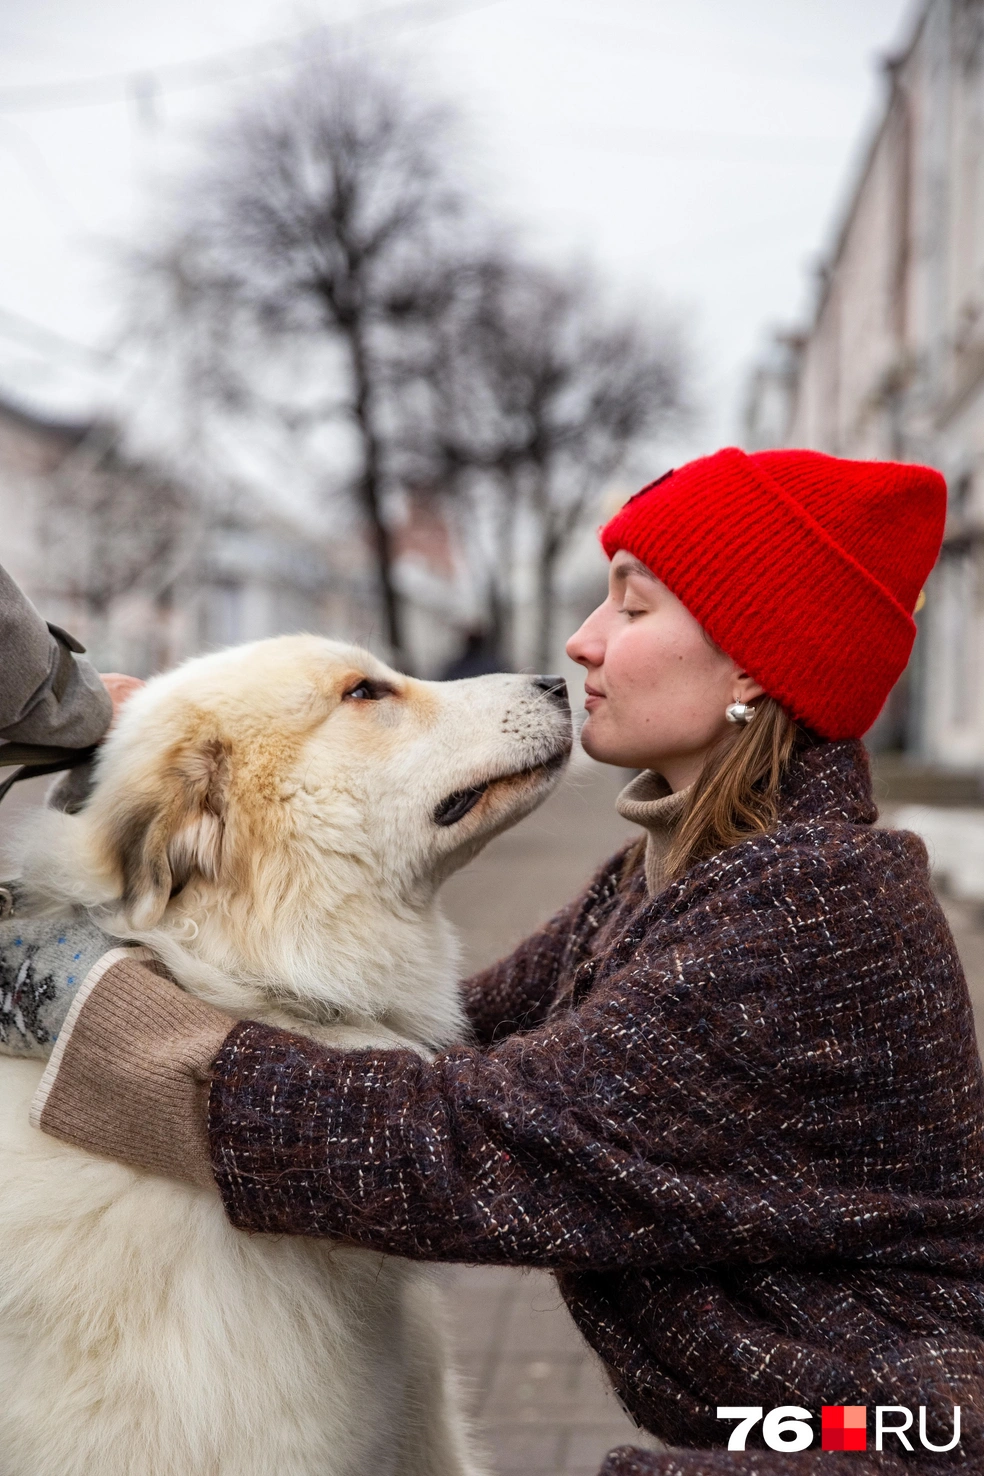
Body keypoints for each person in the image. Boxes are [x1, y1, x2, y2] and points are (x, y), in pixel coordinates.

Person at [3, 446, 984, 1476]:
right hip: (819, 1414)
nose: (582, 640)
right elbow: (461, 1035)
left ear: (749, 660)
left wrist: (89, 1013)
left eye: (633, 609)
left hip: (905, 1432)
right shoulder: (692, 871)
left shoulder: (805, 915)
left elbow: (458, 1144)